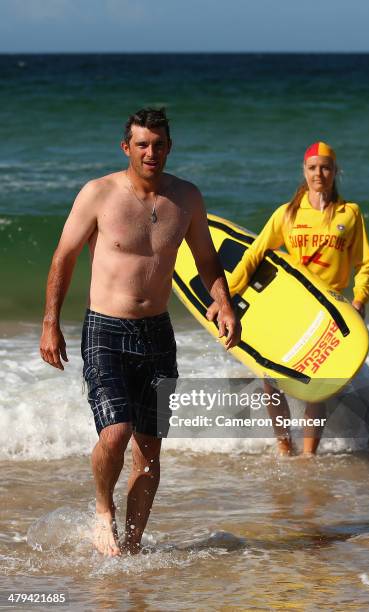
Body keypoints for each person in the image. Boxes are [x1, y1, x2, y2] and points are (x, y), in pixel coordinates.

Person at [39, 108, 241, 557]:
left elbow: (207, 259)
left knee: (149, 451)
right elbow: (63, 257)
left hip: (157, 333)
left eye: (159, 144)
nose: (151, 152)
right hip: (105, 331)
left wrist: (223, 301)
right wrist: (51, 322)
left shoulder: (186, 198)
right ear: (126, 147)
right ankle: (102, 510)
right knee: (116, 432)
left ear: (169, 147)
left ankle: (131, 546)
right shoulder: (98, 194)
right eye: (142, 144)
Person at [207, 141, 369, 456]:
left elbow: (364, 262)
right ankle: (285, 447)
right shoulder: (287, 214)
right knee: (270, 380)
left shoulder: (349, 214)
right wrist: (226, 295)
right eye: (312, 168)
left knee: (317, 388)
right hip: (291, 305)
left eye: (325, 167)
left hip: (330, 308)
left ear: (335, 171)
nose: (319, 173)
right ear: (304, 171)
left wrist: (359, 301)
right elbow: (256, 253)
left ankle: (308, 457)